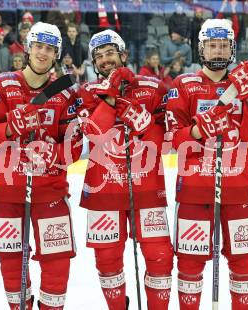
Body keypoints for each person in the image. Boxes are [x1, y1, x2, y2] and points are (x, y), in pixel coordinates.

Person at [0, 21, 82, 309]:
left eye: (50, 49)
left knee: (57, 263)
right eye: (39, 46)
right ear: (27, 47)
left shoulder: (65, 91)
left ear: (57, 54)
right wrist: (10, 128)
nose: (43, 53)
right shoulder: (1, 83)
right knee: (11, 264)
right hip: (5, 191)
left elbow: (76, 145)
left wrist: (54, 155)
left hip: (50, 191)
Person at [165, 18, 248, 310]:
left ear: (232, 47)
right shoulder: (183, 85)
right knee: (189, 264)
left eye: (223, 45)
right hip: (195, 191)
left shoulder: (246, 85)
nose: (218, 50)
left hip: (240, 190)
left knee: (244, 265)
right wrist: (200, 130)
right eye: (212, 45)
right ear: (201, 48)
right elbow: (174, 139)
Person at [76, 29, 173, 310]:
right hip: (102, 187)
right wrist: (109, 97)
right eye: (99, 56)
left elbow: (164, 142)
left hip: (146, 187)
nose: (106, 60)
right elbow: (93, 133)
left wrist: (140, 119)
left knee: (160, 256)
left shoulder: (153, 88)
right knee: (107, 260)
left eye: (110, 53)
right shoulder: (87, 92)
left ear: (124, 55)